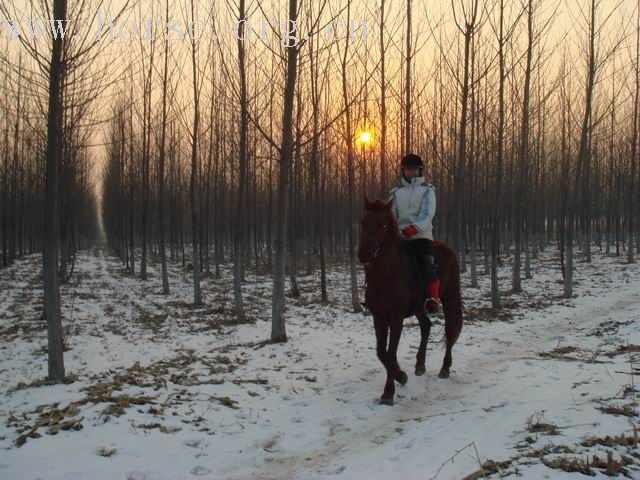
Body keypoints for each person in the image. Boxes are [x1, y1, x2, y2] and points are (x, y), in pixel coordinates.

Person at [389, 153, 440, 314]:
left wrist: (414, 228)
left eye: (414, 170)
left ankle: (432, 300)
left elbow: (427, 214)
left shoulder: (427, 190)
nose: (410, 172)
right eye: (407, 170)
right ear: (403, 171)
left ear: (419, 171)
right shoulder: (396, 192)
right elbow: (391, 215)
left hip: (420, 235)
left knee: (426, 264)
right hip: (400, 235)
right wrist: (397, 230)